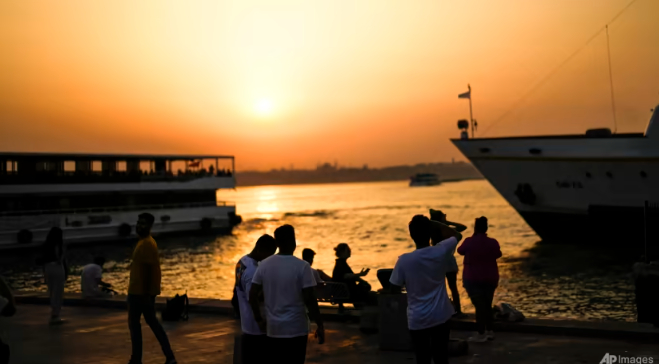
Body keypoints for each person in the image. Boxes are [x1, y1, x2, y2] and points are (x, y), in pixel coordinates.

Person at [389, 215, 463, 364]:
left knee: (422, 357)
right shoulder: (441, 251)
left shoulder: (404, 260)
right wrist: (433, 223)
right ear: (429, 232)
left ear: (411, 235)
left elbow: (393, 287)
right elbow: (458, 234)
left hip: (418, 318)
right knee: (441, 356)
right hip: (441, 314)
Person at [249, 225, 325, 364]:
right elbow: (310, 299)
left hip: (274, 329)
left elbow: (253, 294)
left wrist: (259, 319)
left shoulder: (264, 265)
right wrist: (320, 324)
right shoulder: (302, 266)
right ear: (294, 241)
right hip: (296, 329)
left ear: (277, 243)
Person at [127, 213, 176, 364]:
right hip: (140, 292)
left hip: (140, 293)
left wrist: (148, 294)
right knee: (152, 324)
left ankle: (137, 359)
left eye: (143, 224)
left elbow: (151, 271)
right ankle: (169, 356)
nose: (139, 226)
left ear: (150, 226)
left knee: (136, 326)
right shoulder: (144, 242)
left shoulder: (147, 243)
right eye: (138, 222)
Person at [457, 216, 502, 343]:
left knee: (479, 307)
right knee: (487, 305)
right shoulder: (493, 242)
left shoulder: (469, 241)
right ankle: (489, 331)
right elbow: (498, 254)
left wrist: (473, 236)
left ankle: (481, 332)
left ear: (475, 227)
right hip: (490, 277)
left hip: (473, 278)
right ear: (486, 227)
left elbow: (460, 251)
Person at [234, 234, 277, 364]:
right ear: (259, 250)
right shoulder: (253, 272)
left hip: (247, 325)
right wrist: (259, 320)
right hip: (258, 328)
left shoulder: (242, 262)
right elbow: (254, 298)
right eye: (268, 255)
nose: (269, 259)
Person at [429, 209, 467, 316]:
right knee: (453, 287)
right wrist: (448, 222)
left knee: (439, 287)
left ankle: (441, 310)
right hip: (448, 260)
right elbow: (462, 228)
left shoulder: (432, 230)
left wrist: (445, 223)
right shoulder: (447, 231)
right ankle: (457, 311)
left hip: (436, 260)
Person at [41, 227, 67, 325]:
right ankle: (56, 315)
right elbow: (59, 259)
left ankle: (53, 313)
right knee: (58, 292)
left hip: (48, 267)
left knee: (51, 291)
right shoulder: (59, 245)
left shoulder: (45, 245)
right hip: (57, 267)